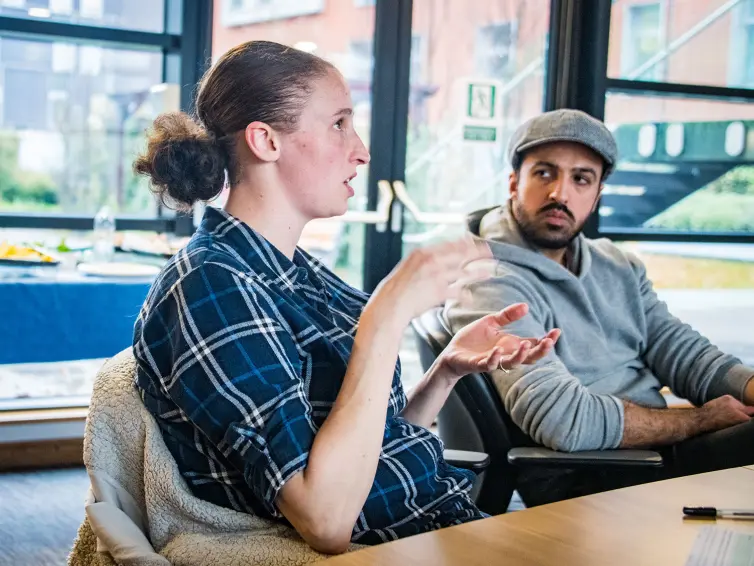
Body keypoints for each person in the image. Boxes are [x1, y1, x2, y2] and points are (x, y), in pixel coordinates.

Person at [131, 40, 559, 554]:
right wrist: (387, 314)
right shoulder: (212, 285)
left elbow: (369, 447)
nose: (362, 150)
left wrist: (444, 371)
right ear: (266, 141)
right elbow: (327, 518)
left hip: (439, 522)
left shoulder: (291, 270)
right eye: (339, 124)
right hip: (402, 545)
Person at [445, 108, 754, 507]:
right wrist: (698, 421)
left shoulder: (617, 265)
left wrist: (746, 387)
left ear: (596, 195)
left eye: (581, 179)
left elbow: (684, 354)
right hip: (593, 476)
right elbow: (562, 420)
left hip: (655, 456)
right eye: (544, 173)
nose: (560, 193)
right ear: (512, 183)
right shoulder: (488, 282)